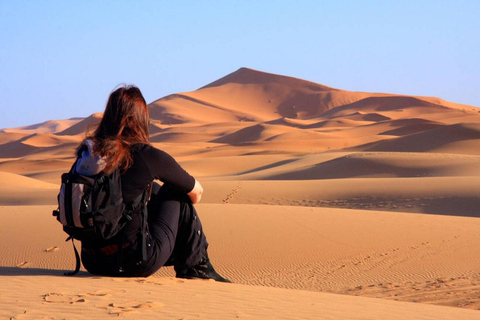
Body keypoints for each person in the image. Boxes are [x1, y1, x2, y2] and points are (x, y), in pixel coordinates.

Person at [74, 85, 230, 282]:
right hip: (134, 262)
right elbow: (196, 192)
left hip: (93, 262)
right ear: (139, 120)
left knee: (153, 189)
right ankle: (197, 266)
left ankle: (193, 264)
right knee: (176, 191)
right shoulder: (145, 155)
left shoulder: (88, 156)